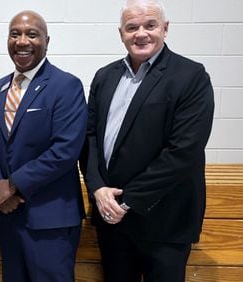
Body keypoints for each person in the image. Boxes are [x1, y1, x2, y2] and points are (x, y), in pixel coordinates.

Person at [81, 0, 215, 281]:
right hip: (111, 222)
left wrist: (126, 202)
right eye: (132, 27)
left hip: (165, 222)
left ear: (165, 29)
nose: (140, 33)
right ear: (121, 34)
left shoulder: (191, 76)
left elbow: (183, 152)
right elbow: (90, 139)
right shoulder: (105, 77)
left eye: (150, 25)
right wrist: (97, 188)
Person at [0, 10, 88, 282]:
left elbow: (65, 151)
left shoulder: (66, 85)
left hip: (50, 221)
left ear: (47, 40)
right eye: (14, 34)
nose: (22, 41)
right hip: (9, 217)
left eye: (32, 34)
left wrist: (12, 185)